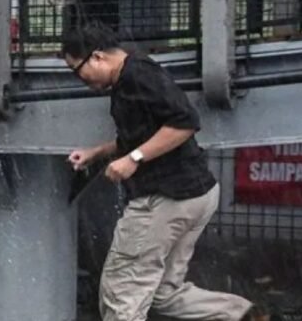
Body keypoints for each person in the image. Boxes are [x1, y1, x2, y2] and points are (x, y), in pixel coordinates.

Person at [63, 23, 278, 321]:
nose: (80, 80)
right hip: (194, 195)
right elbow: (144, 134)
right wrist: (96, 153)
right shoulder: (133, 76)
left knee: (121, 290)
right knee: (165, 294)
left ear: (97, 57)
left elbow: (184, 122)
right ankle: (245, 315)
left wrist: (133, 159)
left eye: (77, 70)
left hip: (164, 198)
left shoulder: (136, 76)